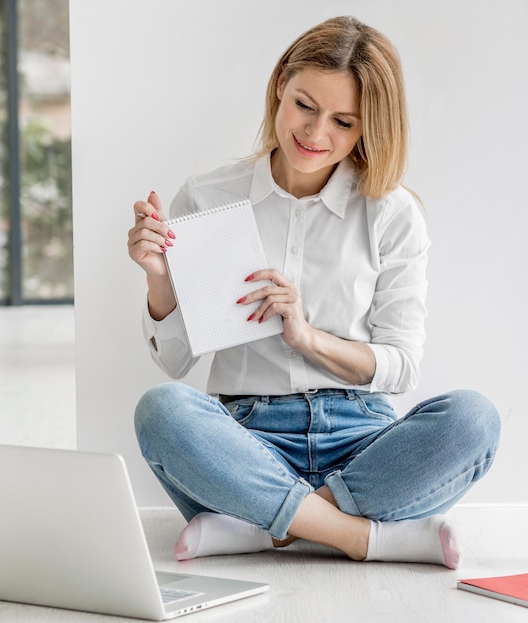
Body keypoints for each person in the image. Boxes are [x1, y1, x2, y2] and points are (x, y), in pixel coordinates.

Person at [127, 15, 500, 569]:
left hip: (361, 443)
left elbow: (400, 366)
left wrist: (307, 338)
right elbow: (176, 363)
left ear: (367, 128)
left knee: (475, 420)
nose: (315, 133)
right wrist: (160, 278)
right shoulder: (209, 197)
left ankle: (264, 528)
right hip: (248, 442)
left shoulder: (392, 213)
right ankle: (365, 538)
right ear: (281, 85)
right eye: (304, 104)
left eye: (343, 121)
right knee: (161, 412)